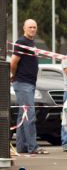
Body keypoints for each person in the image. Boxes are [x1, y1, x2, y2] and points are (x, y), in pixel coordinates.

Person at [10, 19, 47, 155]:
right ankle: (33, 147)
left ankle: (21, 147)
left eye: (34, 27)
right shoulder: (21, 42)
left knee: (23, 116)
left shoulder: (32, 43)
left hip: (30, 83)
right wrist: (13, 75)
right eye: (30, 27)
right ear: (24, 28)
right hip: (23, 83)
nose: (33, 29)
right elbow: (13, 62)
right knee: (30, 115)